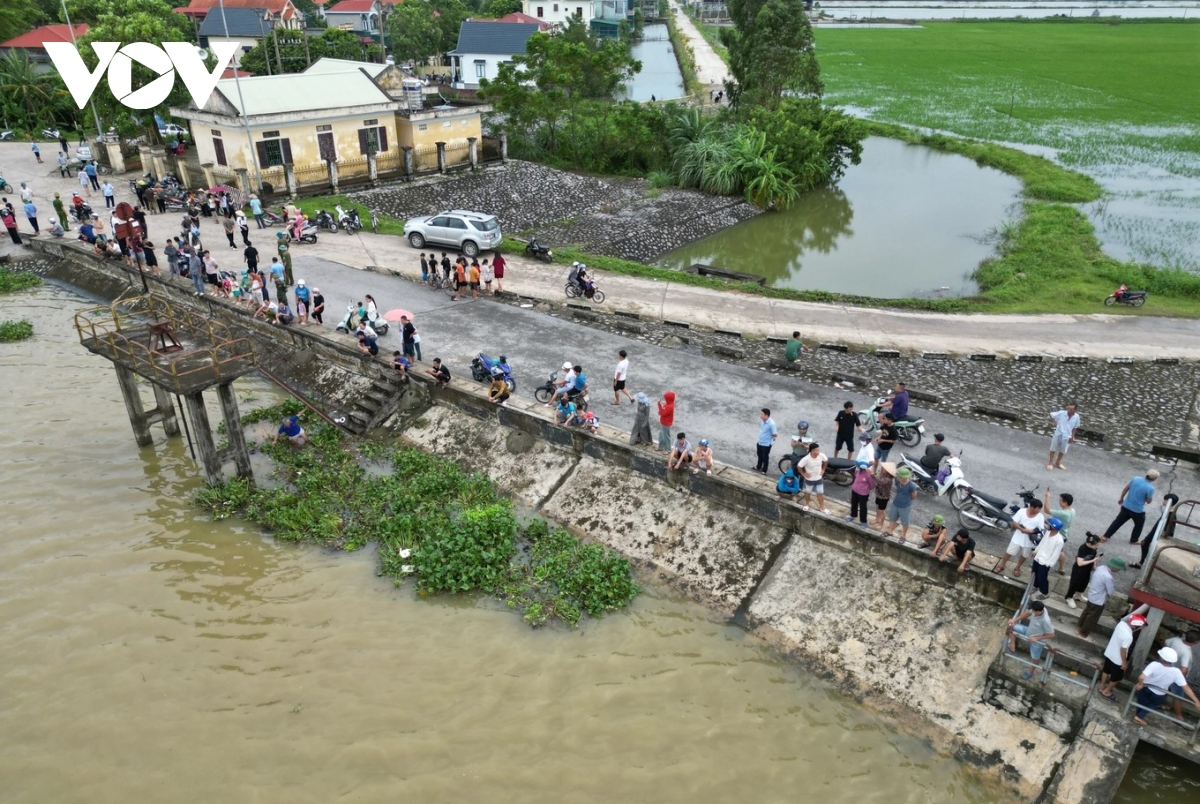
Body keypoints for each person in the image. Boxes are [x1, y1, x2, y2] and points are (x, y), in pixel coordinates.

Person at [1102, 470, 1159, 563]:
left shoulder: (1135, 479)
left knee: (1117, 522)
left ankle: (1105, 536)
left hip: (1126, 506)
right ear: (1154, 479)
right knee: (1139, 525)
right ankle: (1134, 539)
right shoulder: (1150, 488)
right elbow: (1148, 501)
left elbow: (1125, 489)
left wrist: (1121, 498)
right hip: (1137, 510)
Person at [1132, 647, 1200, 726]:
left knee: (1141, 702)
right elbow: (1186, 688)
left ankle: (1138, 716)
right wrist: (1196, 701)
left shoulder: (1154, 664)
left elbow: (1141, 677)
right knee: (1153, 704)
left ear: (1161, 657)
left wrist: (1140, 684)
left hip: (1146, 687)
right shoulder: (1176, 672)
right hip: (1160, 693)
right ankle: (1139, 717)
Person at [992, 499, 1045, 577]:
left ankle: (1017, 567)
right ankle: (1001, 565)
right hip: (1018, 537)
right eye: (1038, 508)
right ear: (1032, 507)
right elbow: (1015, 523)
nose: (1039, 510)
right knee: (1009, 552)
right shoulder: (1022, 512)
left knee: (1024, 555)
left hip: (1029, 540)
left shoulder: (1040, 516)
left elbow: (1040, 528)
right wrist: (1022, 529)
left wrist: (1030, 531)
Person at [1099, 613, 1146, 700]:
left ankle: (1101, 686)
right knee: (1116, 678)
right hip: (1118, 660)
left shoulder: (1121, 624)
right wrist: (1124, 663)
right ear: (1136, 626)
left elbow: (1128, 631)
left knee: (1106, 671)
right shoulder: (1129, 637)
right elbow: (1123, 650)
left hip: (1109, 653)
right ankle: (1107, 691)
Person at [1164, 630, 1200, 722]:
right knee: (1178, 696)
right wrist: (1181, 679)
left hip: (1167, 669)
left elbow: (1166, 642)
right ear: (1196, 642)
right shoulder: (1186, 652)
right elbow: (1184, 669)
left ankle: (1160, 704)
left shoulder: (1176, 640)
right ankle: (1179, 717)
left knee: (1165, 688)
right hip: (1176, 675)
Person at [1007, 600, 1054, 669]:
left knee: (1035, 658)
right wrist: (1014, 620)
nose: (1033, 613)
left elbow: (1052, 635)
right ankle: (1012, 644)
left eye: (1034, 612)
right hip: (1028, 631)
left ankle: (1031, 671)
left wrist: (1036, 638)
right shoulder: (1039, 609)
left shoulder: (1046, 621)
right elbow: (1027, 613)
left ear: (1038, 611)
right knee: (1010, 628)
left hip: (1036, 641)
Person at [1064, 533, 1103, 609]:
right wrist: (1093, 560)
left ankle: (1078, 595)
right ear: (1089, 543)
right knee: (1074, 584)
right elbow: (1080, 563)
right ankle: (1069, 597)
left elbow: (1094, 558)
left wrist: (1095, 568)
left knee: (1084, 583)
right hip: (1079, 570)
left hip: (1087, 569)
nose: (1097, 547)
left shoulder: (1094, 549)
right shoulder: (1082, 548)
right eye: (1096, 545)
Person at [1045, 488, 1078, 575]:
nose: (1059, 502)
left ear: (1065, 503)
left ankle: (1044, 566)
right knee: (1060, 551)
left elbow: (1046, 510)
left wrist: (1047, 497)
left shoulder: (1063, 513)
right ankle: (1062, 568)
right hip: (1064, 535)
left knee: (1049, 550)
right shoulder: (1072, 511)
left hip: (1057, 535)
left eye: (1060, 501)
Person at [1030, 517, 1065, 600]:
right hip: (1038, 557)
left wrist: (1048, 564)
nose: (1047, 525)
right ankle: (1036, 586)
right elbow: (1042, 543)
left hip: (1045, 561)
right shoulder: (1048, 533)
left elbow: (1056, 554)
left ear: (1052, 527)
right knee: (1035, 572)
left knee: (1042, 577)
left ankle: (1044, 592)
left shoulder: (1059, 540)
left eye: (1049, 525)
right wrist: (1035, 551)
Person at [884, 465, 918, 542]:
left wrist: (906, 500)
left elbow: (914, 496)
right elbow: (892, 471)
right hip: (896, 503)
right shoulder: (897, 481)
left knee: (905, 522)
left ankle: (903, 535)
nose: (899, 478)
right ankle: (890, 531)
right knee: (892, 518)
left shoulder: (911, 486)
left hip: (905, 506)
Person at [797, 441, 829, 513]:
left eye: (819, 450)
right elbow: (799, 466)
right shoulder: (806, 459)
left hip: (819, 478)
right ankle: (807, 504)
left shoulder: (821, 455)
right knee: (808, 492)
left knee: (820, 492)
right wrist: (803, 474)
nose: (818, 451)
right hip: (809, 479)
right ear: (812, 451)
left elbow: (826, 461)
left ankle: (822, 506)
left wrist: (823, 469)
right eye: (817, 450)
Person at [1048, 403, 1080, 471]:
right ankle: (1050, 463)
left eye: (1071, 409)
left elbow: (1075, 427)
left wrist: (1072, 436)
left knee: (1063, 450)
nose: (1069, 410)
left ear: (1075, 410)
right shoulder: (1062, 413)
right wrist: (1053, 422)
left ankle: (1058, 462)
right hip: (1058, 433)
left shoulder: (1076, 417)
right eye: (1068, 408)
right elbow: (1051, 414)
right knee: (1053, 448)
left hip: (1067, 435)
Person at [846, 460, 874, 529]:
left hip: (863, 494)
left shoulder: (868, 475)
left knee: (863, 507)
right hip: (854, 491)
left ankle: (863, 521)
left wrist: (865, 488)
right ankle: (853, 515)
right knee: (854, 503)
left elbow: (872, 485)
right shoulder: (857, 472)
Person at [872, 462, 894, 529]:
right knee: (877, 507)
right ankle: (877, 519)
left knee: (882, 510)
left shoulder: (888, 479)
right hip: (878, 494)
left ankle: (881, 523)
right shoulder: (883, 475)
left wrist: (872, 474)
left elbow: (880, 481)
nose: (882, 468)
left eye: (884, 468)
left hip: (884, 497)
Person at [755, 408, 777, 473]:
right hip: (760, 442)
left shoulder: (771, 424)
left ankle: (764, 470)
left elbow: (775, 434)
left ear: (766, 415)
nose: (760, 415)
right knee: (759, 455)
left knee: (765, 457)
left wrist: (771, 439)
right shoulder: (763, 421)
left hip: (766, 444)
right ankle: (758, 466)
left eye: (762, 414)